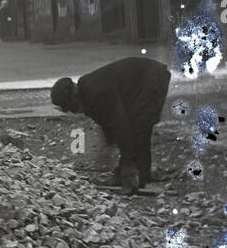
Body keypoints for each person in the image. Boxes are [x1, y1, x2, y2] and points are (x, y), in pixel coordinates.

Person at [51, 56, 172, 192]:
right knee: (135, 125)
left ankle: (141, 176)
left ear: (75, 99)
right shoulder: (88, 93)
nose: (74, 112)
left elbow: (120, 125)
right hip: (141, 81)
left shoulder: (97, 93)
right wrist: (109, 142)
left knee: (140, 125)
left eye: (72, 109)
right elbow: (108, 123)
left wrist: (128, 164)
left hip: (153, 77)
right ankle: (138, 172)